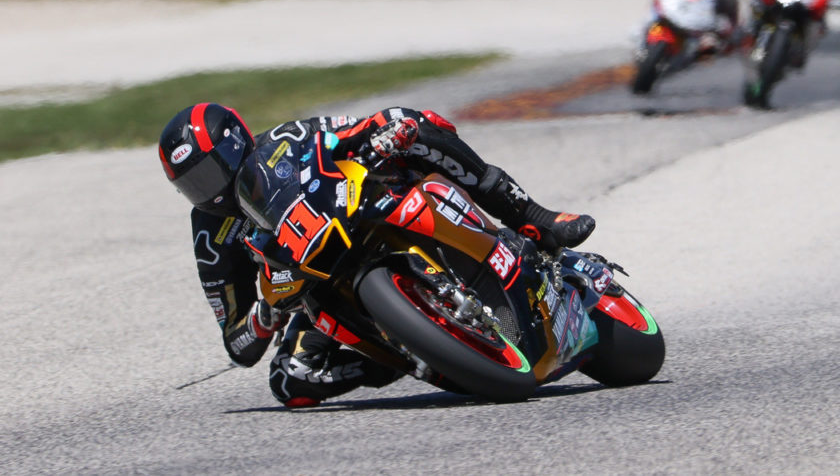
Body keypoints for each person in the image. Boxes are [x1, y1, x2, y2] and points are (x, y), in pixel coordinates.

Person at [158, 103, 596, 408]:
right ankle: (406, 351)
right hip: (315, 284)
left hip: (368, 208)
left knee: (412, 125)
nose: (209, 191)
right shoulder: (210, 237)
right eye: (193, 185)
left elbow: (355, 129)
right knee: (288, 379)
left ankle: (534, 218)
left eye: (210, 171)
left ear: (236, 145)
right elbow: (236, 342)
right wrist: (265, 317)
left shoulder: (285, 139)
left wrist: (383, 134)